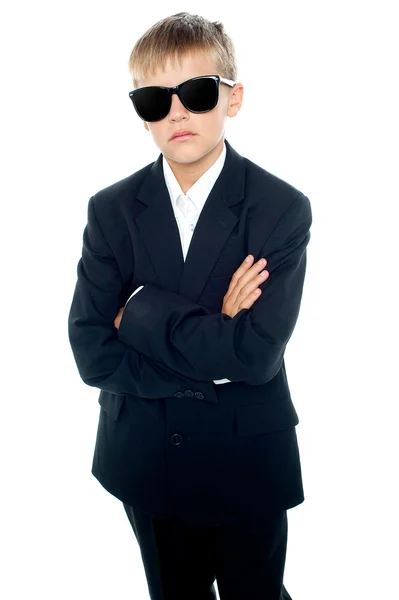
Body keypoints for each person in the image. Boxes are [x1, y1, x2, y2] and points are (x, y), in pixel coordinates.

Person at [68, 11, 312, 600]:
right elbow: (91, 351)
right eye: (155, 98)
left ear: (232, 99)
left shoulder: (281, 208)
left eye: (197, 92)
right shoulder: (111, 209)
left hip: (246, 456)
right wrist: (217, 334)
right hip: (144, 457)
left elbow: (254, 358)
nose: (176, 111)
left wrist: (142, 312)